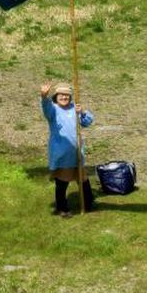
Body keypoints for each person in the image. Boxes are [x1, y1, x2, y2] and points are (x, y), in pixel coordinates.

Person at [40, 82, 96, 217]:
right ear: (56, 97)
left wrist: (81, 111)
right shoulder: (53, 110)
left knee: (83, 180)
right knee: (62, 181)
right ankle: (62, 208)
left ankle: (88, 203)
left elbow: (87, 122)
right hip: (62, 153)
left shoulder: (74, 109)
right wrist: (43, 96)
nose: (64, 97)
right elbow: (46, 107)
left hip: (76, 152)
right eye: (61, 95)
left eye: (67, 95)